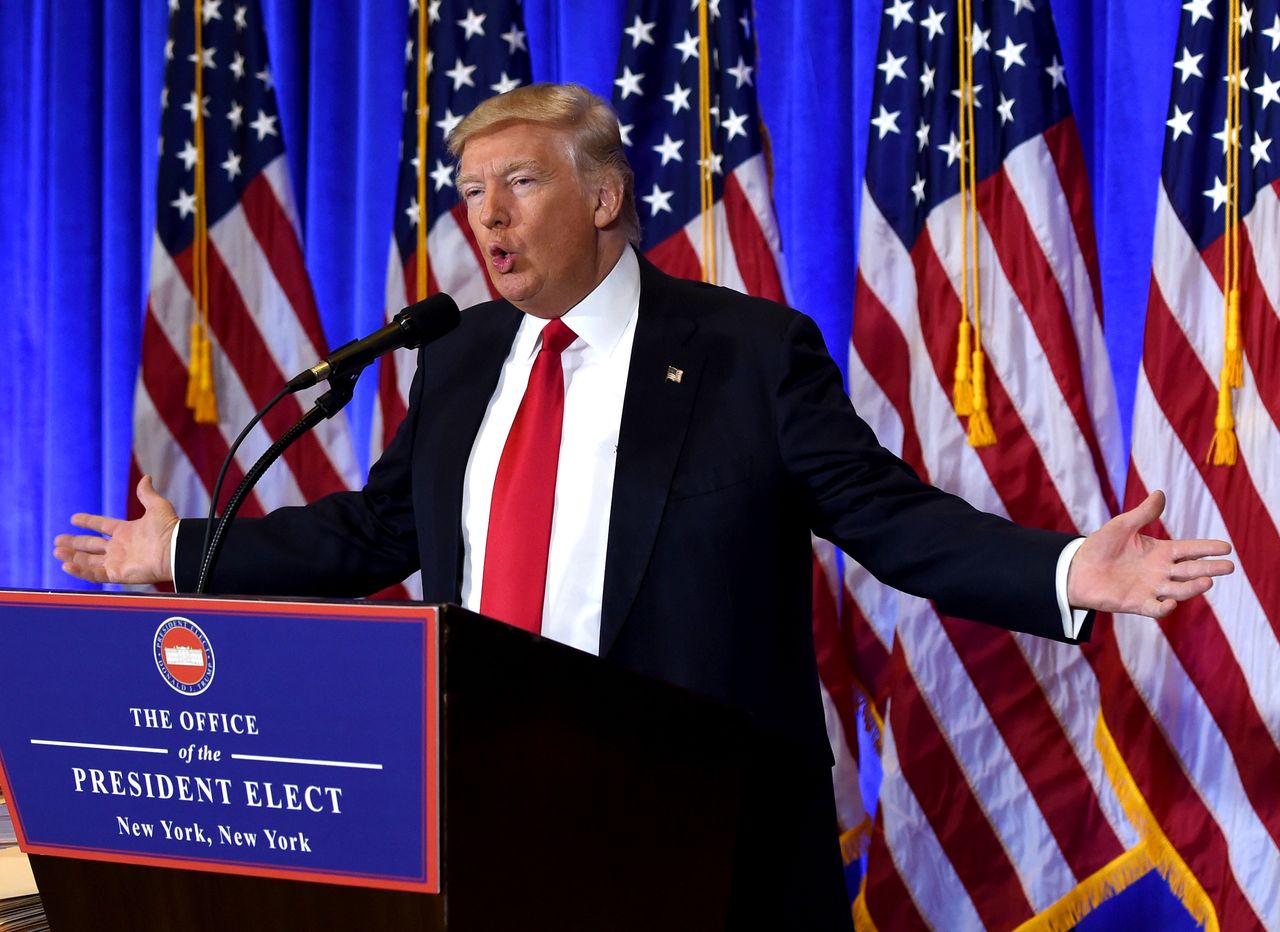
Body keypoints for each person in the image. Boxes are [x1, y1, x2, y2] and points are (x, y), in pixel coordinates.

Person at [55, 84, 1233, 929]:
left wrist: (1068, 567)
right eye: (470, 192)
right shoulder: (458, 361)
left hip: (702, 837)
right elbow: (371, 532)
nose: (488, 217)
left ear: (608, 195)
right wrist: (181, 552)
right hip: (489, 821)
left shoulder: (744, 351)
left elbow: (884, 515)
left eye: (518, 183)